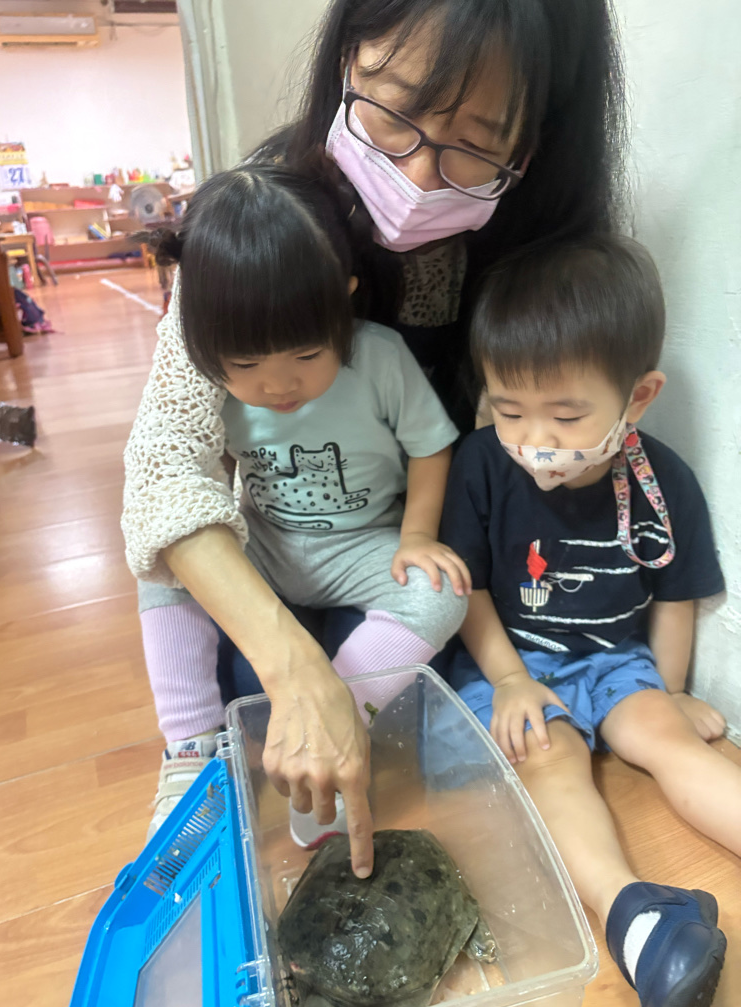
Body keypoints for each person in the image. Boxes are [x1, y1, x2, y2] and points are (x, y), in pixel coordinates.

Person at [123, 0, 626, 876]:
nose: (420, 175)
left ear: (533, 144)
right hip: (276, 547)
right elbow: (166, 467)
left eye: (474, 145)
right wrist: (296, 673)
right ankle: (193, 754)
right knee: (226, 665)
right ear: (347, 58)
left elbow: (461, 453)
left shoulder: (530, 253)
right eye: (395, 108)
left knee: (437, 700)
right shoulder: (254, 233)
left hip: (387, 550)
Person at [440, 234, 738, 1007]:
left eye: (567, 415)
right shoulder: (481, 465)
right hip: (513, 662)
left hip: (617, 661)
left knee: (666, 739)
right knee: (548, 759)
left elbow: (674, 595)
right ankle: (638, 923)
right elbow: (467, 589)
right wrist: (509, 679)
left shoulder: (664, 479)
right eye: (509, 410)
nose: (536, 438)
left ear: (638, 397)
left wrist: (670, 691)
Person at [140, 165, 470, 846]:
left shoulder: (381, 358)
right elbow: (206, 475)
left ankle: (337, 713)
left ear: (343, 299)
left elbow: (432, 447)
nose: (278, 384)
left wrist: (416, 537)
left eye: (307, 353)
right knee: (161, 557)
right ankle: (192, 748)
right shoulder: (207, 373)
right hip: (265, 544)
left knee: (442, 592)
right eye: (246, 365)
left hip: (363, 544)